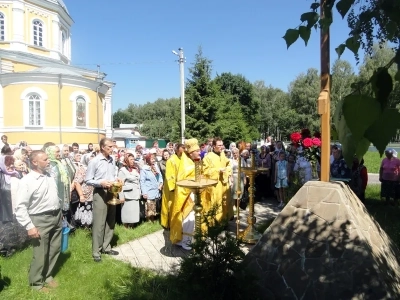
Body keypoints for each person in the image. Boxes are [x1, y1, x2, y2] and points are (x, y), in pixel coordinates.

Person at [15, 150, 61, 291]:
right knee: (40, 253)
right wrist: (29, 226)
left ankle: (48, 276)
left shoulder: (49, 176)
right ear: (35, 162)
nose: (49, 161)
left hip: (56, 216)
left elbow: (54, 196)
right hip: (40, 219)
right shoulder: (27, 181)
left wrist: (59, 212)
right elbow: (20, 207)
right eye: (45, 159)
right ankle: (36, 283)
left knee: (54, 249)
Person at [85, 137, 120, 262]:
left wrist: (117, 180)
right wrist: (101, 183)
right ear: (103, 147)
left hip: (112, 192)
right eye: (110, 147)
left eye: (112, 146)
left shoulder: (113, 159)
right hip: (100, 193)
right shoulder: (94, 161)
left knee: (110, 221)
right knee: (99, 223)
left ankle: (106, 246)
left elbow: (113, 174)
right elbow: (87, 180)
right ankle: (96, 252)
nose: (112, 149)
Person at [169, 139, 201, 250]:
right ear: (191, 153)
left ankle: (189, 239)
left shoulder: (192, 161)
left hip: (193, 193)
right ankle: (185, 241)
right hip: (186, 194)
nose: (199, 152)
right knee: (188, 218)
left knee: (193, 218)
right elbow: (184, 179)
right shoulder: (186, 162)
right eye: (197, 151)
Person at [203, 137, 232, 221]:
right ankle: (216, 223)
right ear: (214, 146)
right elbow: (205, 172)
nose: (221, 147)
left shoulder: (223, 155)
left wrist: (227, 171)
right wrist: (217, 171)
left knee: (225, 202)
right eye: (219, 145)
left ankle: (225, 221)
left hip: (224, 183)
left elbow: (229, 164)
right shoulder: (208, 157)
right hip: (215, 186)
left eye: (222, 145)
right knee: (216, 204)